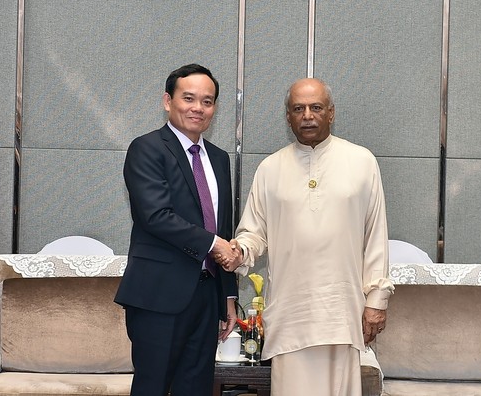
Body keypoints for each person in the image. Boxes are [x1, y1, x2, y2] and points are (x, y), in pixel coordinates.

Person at [219, 78, 394, 396]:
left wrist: (377, 301)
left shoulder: (362, 161)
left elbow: (375, 237)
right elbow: (254, 233)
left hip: (341, 311)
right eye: (298, 108)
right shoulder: (270, 169)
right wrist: (240, 250)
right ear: (288, 117)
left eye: (316, 107)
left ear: (331, 113)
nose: (308, 115)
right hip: (291, 312)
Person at [115, 63, 239, 396]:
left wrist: (227, 294)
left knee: (196, 388)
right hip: (159, 296)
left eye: (208, 101)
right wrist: (215, 245)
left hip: (206, 295)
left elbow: (221, 226)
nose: (198, 108)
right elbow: (155, 215)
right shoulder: (147, 148)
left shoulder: (219, 158)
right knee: (152, 387)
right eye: (189, 98)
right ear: (168, 101)